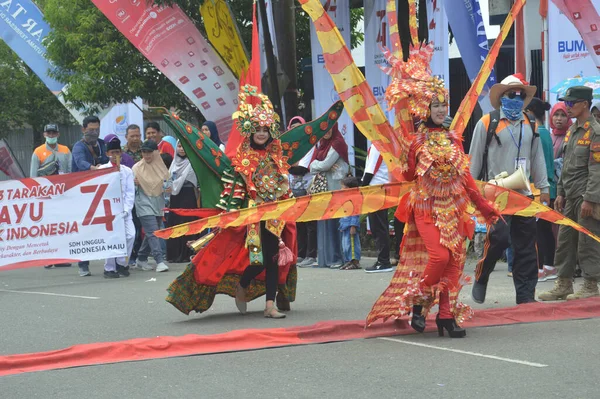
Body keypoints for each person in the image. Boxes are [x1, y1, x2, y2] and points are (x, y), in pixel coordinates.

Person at [366, 45, 499, 338]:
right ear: (424, 108)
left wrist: (485, 208)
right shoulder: (416, 142)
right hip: (426, 208)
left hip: (453, 209)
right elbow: (411, 176)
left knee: (454, 262)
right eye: (435, 105)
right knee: (438, 258)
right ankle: (419, 302)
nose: (441, 110)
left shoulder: (454, 140)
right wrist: (408, 158)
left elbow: (465, 180)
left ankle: (446, 317)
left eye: (444, 105)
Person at [469, 74, 549, 305]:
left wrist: (543, 187)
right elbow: (474, 161)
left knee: (526, 248)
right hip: (495, 194)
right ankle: (482, 275)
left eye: (520, 94)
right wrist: (471, 193)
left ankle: (525, 297)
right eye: (511, 94)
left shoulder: (531, 123)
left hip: (523, 194)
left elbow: (538, 159)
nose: (516, 97)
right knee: (499, 239)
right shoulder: (486, 123)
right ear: (502, 97)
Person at [539, 86, 600, 301]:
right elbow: (565, 166)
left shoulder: (595, 131)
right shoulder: (572, 131)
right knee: (565, 241)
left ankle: (591, 284)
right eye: (567, 102)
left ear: (585, 104)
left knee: (587, 241)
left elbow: (596, 169)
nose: (568, 107)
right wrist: (561, 193)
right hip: (570, 195)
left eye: (572, 103)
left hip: (586, 196)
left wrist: (591, 199)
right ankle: (563, 283)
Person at [72, 116, 109, 277]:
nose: (94, 132)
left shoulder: (102, 144)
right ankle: (83, 264)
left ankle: (112, 262)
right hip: (82, 193)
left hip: (100, 191)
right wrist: (94, 168)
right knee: (84, 228)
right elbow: (80, 163)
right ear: (83, 129)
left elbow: (108, 160)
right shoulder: (78, 147)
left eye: (97, 129)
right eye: (91, 130)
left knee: (105, 225)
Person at [524, 98, 557, 281]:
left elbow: (539, 164)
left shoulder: (537, 132)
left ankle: (541, 268)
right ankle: (549, 266)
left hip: (539, 188)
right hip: (547, 187)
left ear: (530, 111)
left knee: (537, 230)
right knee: (544, 229)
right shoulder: (545, 132)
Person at [32, 124, 73, 269]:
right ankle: (47, 258)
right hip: (46, 196)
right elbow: (33, 177)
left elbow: (70, 173)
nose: (51, 135)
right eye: (48, 133)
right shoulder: (38, 152)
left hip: (62, 194)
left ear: (58, 134)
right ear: (44, 135)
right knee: (47, 227)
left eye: (53, 132)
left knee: (61, 227)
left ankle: (61, 257)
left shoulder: (65, 150)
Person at [309, 124, 348, 268]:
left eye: (329, 128)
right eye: (323, 129)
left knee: (333, 225)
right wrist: (318, 165)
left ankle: (336, 258)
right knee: (324, 223)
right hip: (324, 190)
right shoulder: (322, 145)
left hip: (335, 190)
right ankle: (325, 259)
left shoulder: (337, 143)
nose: (326, 132)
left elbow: (325, 165)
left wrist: (316, 164)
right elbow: (316, 166)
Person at [99, 138, 135, 278]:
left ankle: (122, 264)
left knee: (130, 235)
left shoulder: (127, 171)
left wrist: (126, 210)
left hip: (125, 211)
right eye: (112, 152)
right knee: (110, 238)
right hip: (108, 211)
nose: (115, 155)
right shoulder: (102, 170)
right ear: (107, 153)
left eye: (117, 152)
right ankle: (109, 267)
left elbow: (130, 193)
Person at [132, 139, 170, 273]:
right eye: (144, 152)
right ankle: (159, 261)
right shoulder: (136, 168)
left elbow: (167, 183)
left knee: (151, 232)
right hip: (143, 202)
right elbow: (129, 187)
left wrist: (168, 188)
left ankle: (141, 259)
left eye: (149, 152)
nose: (146, 155)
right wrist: (133, 183)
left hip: (158, 202)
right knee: (154, 232)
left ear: (155, 153)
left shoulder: (161, 166)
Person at [287, 116, 318, 268]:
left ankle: (311, 255)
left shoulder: (309, 145)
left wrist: (289, 165)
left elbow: (301, 169)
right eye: (293, 128)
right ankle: (300, 253)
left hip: (308, 189)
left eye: (299, 127)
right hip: (292, 190)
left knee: (310, 223)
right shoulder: (288, 146)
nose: (296, 130)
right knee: (298, 223)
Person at [166, 141, 199, 263]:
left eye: (184, 147)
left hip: (188, 197)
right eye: (179, 146)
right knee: (175, 223)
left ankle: (187, 253)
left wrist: (173, 185)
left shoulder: (192, 163)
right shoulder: (174, 163)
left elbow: (192, 181)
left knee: (188, 223)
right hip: (175, 198)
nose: (181, 149)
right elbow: (168, 179)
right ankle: (175, 254)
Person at [362, 145, 393, 273]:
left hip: (375, 189)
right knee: (381, 226)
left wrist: (362, 187)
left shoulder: (377, 146)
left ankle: (383, 261)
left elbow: (370, 171)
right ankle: (383, 260)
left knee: (378, 227)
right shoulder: (383, 144)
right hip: (381, 188)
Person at [339, 176, 361, 270]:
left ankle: (355, 262)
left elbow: (355, 213)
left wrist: (353, 225)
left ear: (349, 188)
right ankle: (348, 261)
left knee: (352, 245)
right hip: (344, 225)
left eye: (343, 187)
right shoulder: (345, 198)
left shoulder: (355, 199)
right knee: (345, 245)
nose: (341, 189)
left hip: (350, 226)